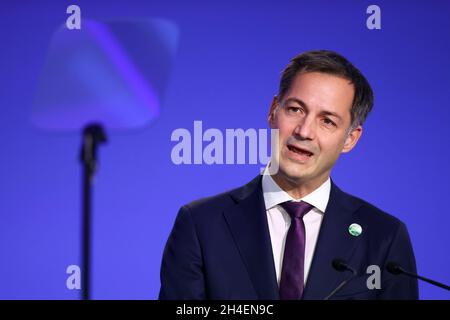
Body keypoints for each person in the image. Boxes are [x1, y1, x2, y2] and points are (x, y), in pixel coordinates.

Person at [159, 50, 418, 300]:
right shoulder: (200, 225)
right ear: (274, 110)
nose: (304, 131)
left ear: (350, 138)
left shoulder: (384, 238)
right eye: (295, 109)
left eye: (327, 121)